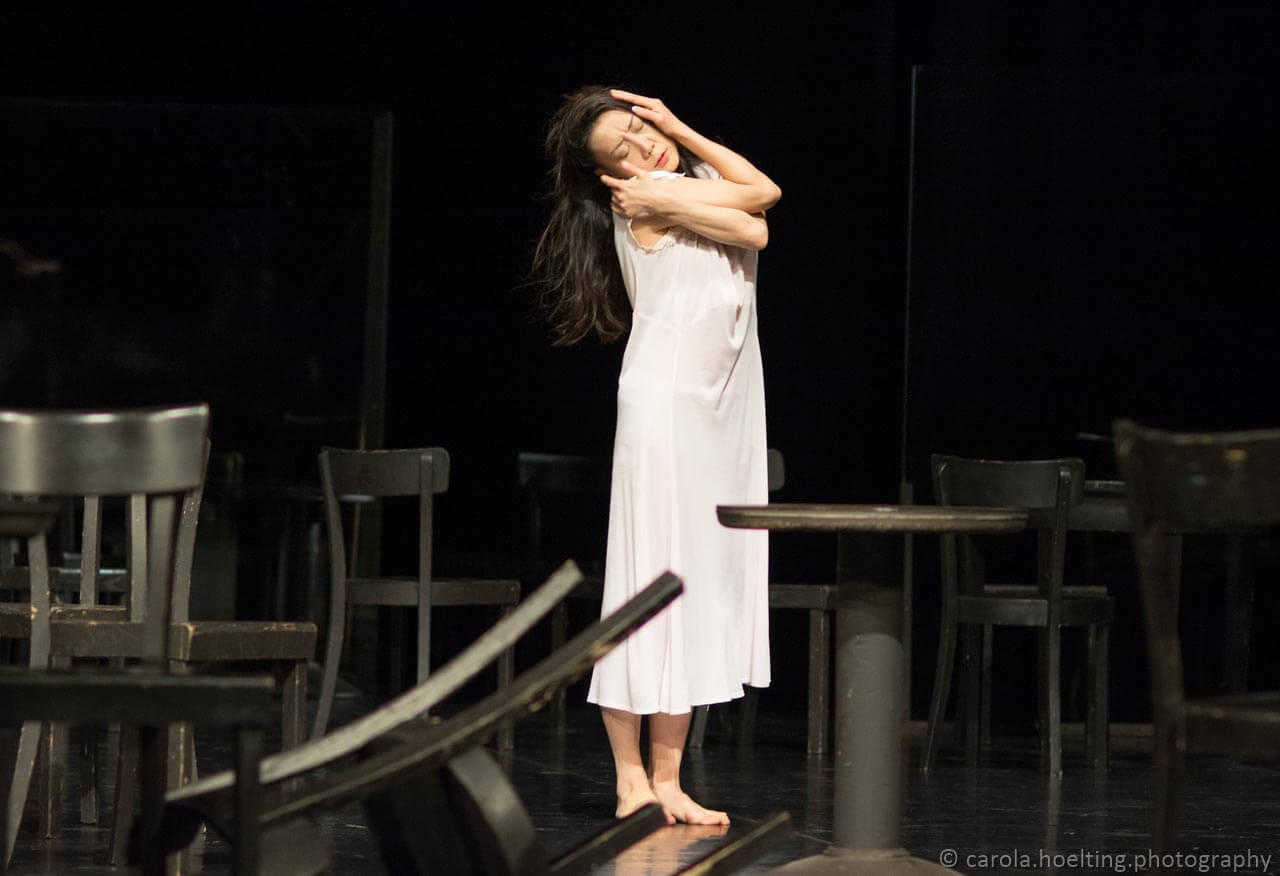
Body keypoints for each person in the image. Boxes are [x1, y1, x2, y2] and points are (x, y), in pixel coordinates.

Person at [532, 86, 780, 826]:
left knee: (693, 584)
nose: (644, 147)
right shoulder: (644, 201)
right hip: (667, 405)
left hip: (721, 408)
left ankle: (668, 781)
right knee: (648, 584)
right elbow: (760, 212)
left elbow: (755, 198)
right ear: (609, 176)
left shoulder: (683, 184)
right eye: (624, 150)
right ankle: (629, 778)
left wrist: (677, 125)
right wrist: (673, 164)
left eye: (641, 130)